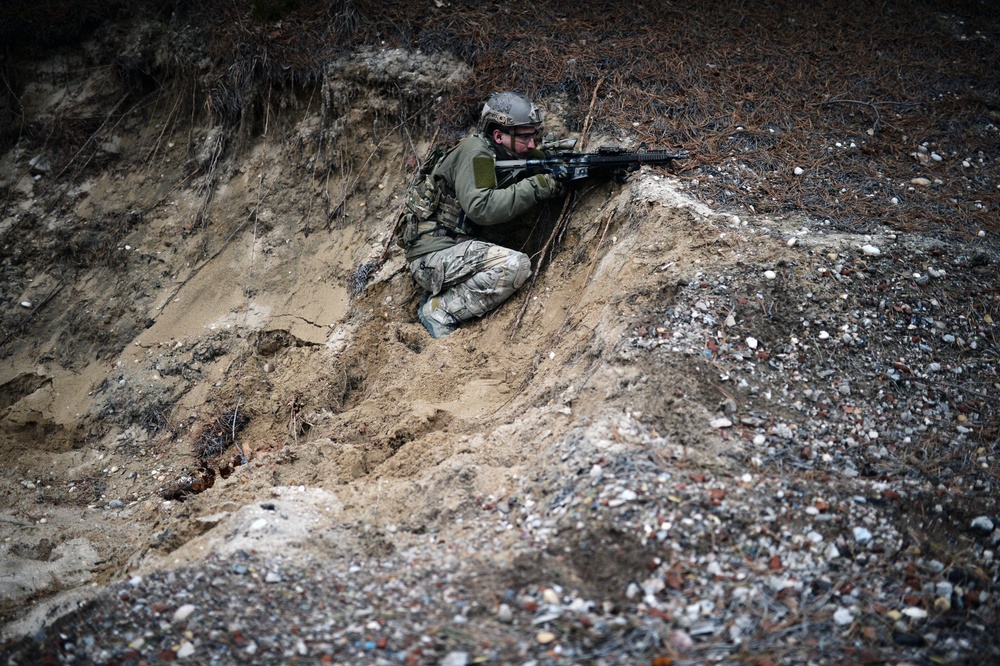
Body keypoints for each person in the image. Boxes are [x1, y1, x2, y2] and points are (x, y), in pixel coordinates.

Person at [398, 92, 564, 338]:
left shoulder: (493, 153)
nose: (531, 145)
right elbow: (482, 208)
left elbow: (524, 164)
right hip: (433, 259)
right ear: (498, 135)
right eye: (525, 137)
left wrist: (549, 162)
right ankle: (440, 310)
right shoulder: (477, 152)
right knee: (514, 265)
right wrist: (537, 186)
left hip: (445, 255)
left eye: (533, 137)